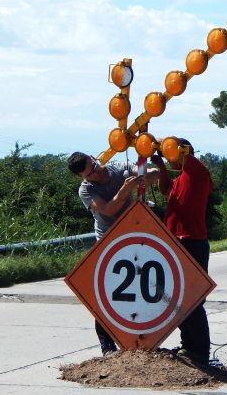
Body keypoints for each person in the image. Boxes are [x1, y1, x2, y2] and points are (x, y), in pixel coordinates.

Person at [67, 151, 160, 356]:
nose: (96, 172)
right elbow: (108, 209)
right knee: (106, 296)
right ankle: (107, 347)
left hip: (133, 237)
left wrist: (148, 174)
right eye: (90, 173)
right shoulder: (86, 190)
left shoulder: (119, 167)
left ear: (94, 158)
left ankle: (145, 342)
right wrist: (126, 188)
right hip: (108, 242)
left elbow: (148, 174)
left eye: (95, 165)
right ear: (81, 177)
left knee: (143, 289)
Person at [151, 138, 213, 366]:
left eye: (170, 153)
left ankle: (199, 350)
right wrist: (160, 168)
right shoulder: (180, 179)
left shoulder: (197, 173)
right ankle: (189, 345)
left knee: (193, 299)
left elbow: (182, 155)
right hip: (177, 242)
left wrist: (160, 143)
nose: (169, 158)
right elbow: (165, 189)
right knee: (178, 298)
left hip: (192, 242)